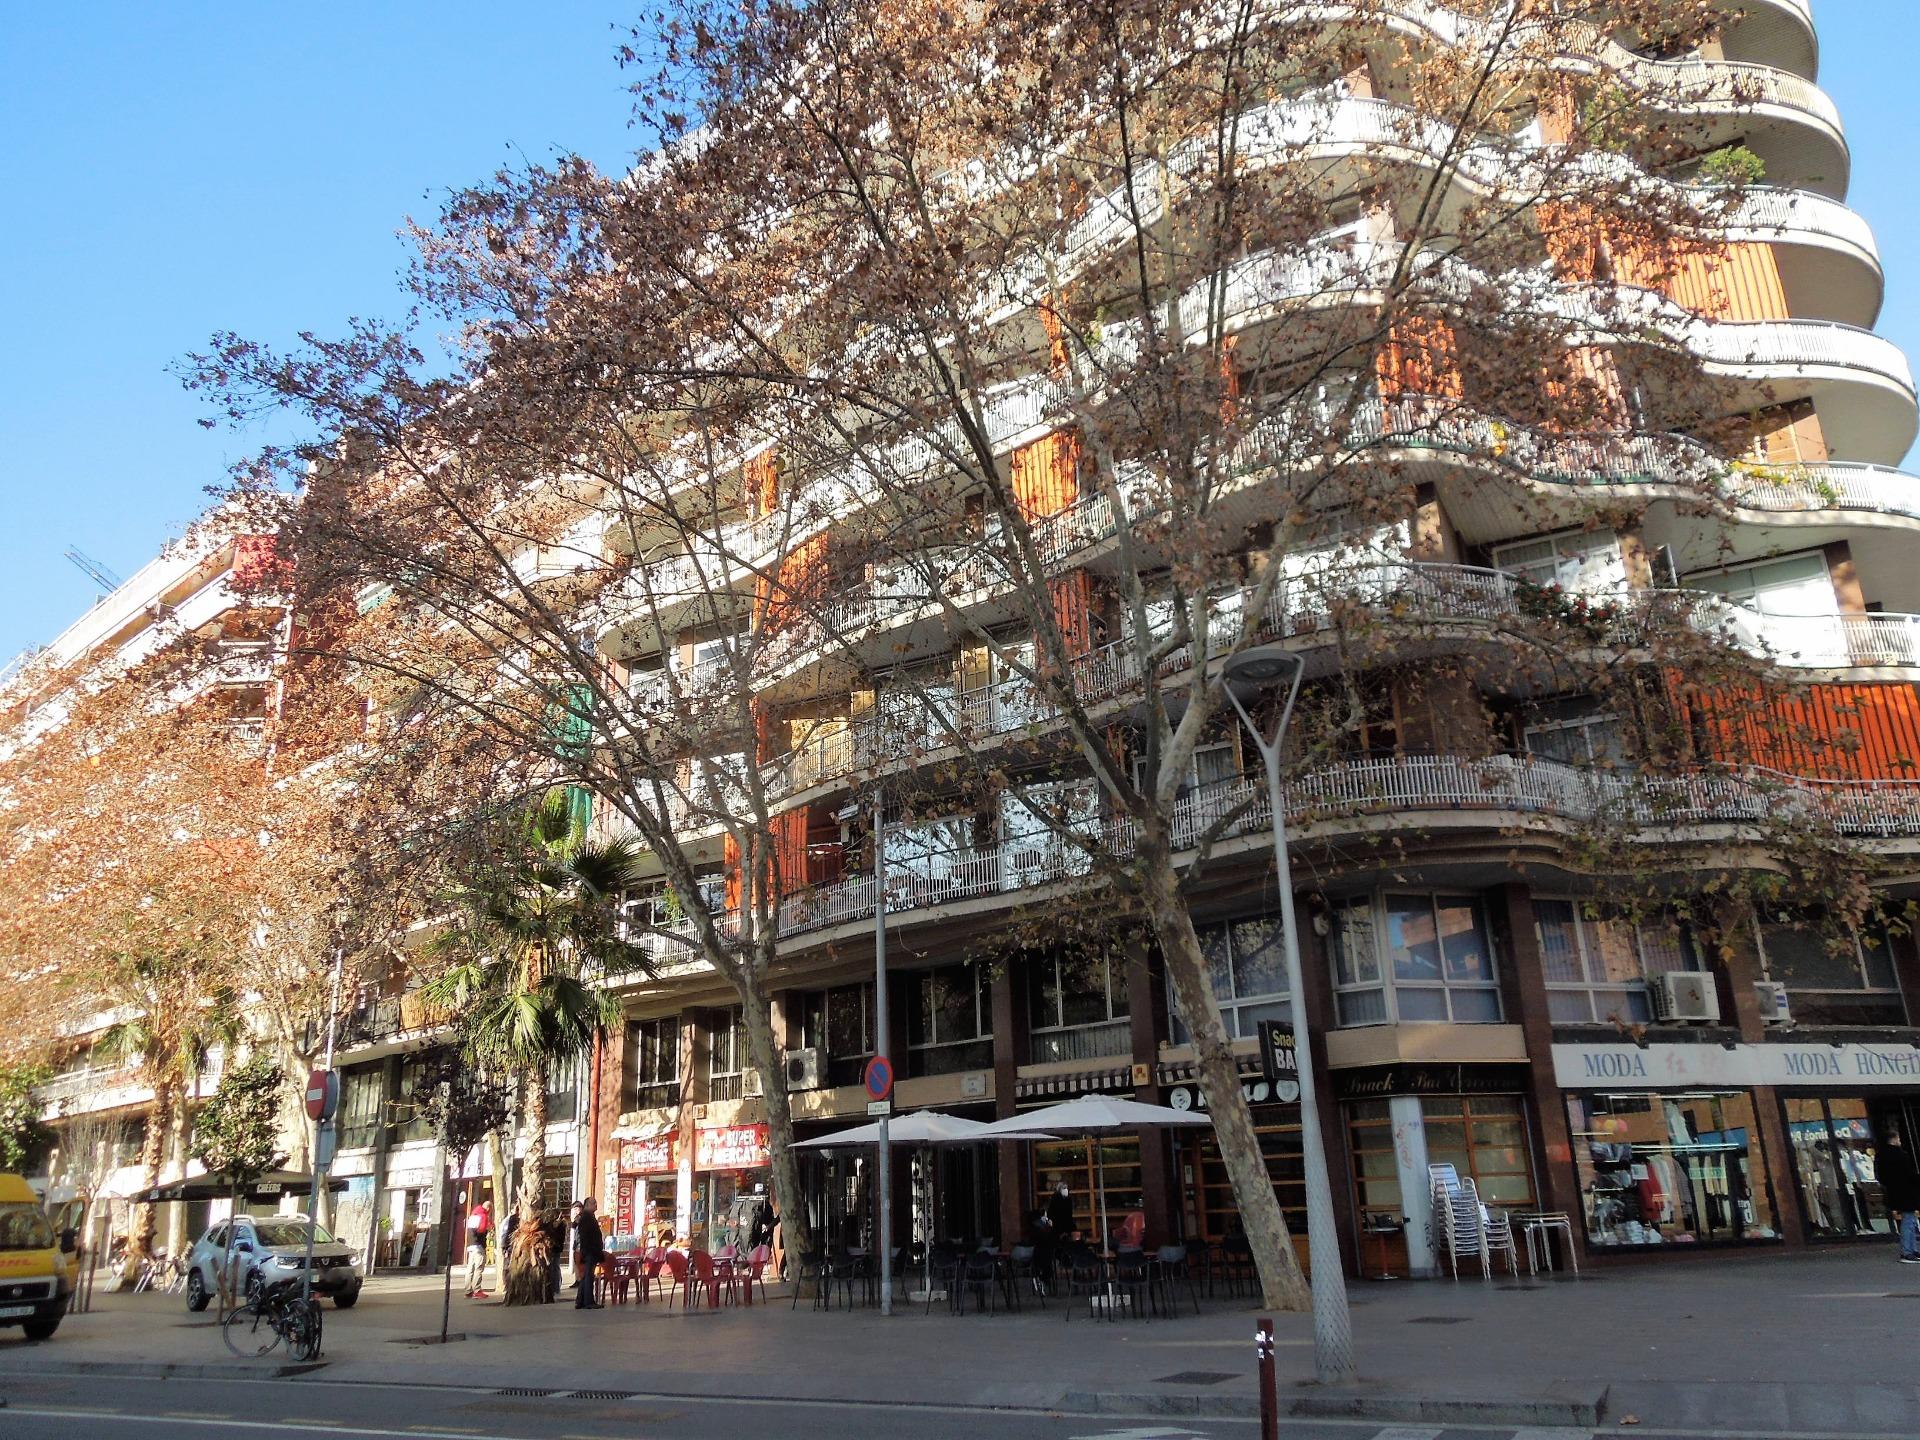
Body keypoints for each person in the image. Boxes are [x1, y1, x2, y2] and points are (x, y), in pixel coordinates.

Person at [1879, 1128, 1920, 1263]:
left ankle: (1911, 1250)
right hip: (1906, 1192)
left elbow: (1881, 1176)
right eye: (1898, 1138)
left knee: (1909, 1220)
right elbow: (1910, 1174)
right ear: (1894, 1139)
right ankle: (1908, 1251)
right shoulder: (1901, 1155)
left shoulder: (1881, 1156)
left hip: (1894, 1192)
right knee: (1909, 1221)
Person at [573, 1196, 605, 1308]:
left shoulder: (589, 1217)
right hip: (589, 1251)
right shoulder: (586, 1217)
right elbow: (585, 1235)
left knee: (585, 1276)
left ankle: (580, 1300)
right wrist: (590, 1249)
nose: (596, 1205)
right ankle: (588, 1301)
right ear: (587, 1205)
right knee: (588, 1276)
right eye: (593, 1203)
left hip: (589, 1251)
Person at [464, 1197, 491, 1297]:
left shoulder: (473, 1216)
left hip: (470, 1245)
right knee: (479, 1268)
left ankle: (468, 1290)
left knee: (470, 1268)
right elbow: (482, 1231)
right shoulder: (483, 1216)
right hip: (478, 1245)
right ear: (488, 1208)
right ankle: (477, 1290)